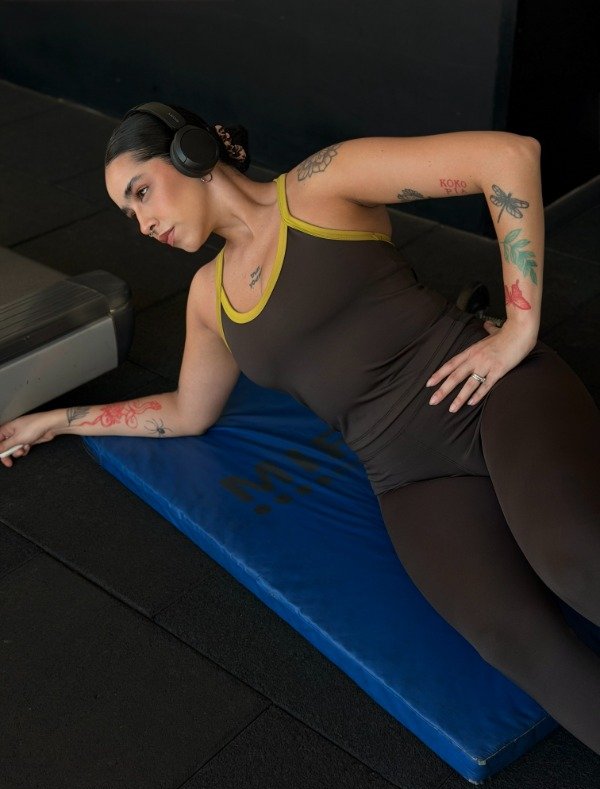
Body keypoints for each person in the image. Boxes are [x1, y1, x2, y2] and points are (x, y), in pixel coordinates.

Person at [1, 103, 599, 754]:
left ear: (189, 152)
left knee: (574, 560)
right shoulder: (209, 299)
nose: (142, 223)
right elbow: (187, 412)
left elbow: (507, 156)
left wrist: (520, 325)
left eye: (140, 193)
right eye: (128, 213)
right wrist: (61, 420)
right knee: (510, 639)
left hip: (494, 394)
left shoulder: (320, 185)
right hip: (408, 475)